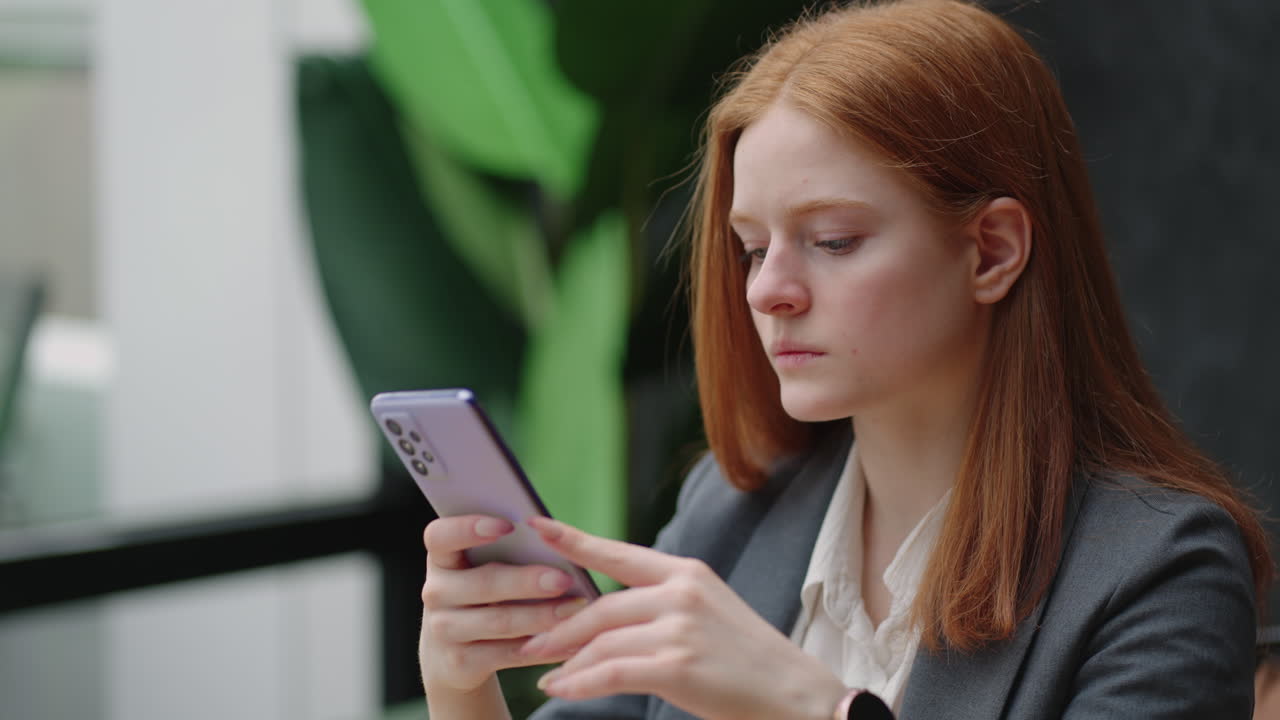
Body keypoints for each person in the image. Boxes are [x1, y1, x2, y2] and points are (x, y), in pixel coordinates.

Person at [414, 1, 1273, 718]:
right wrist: (463, 690)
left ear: (992, 252)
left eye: (832, 240)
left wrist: (812, 707)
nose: (767, 290)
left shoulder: (1160, 572)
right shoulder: (735, 508)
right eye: (752, 248)